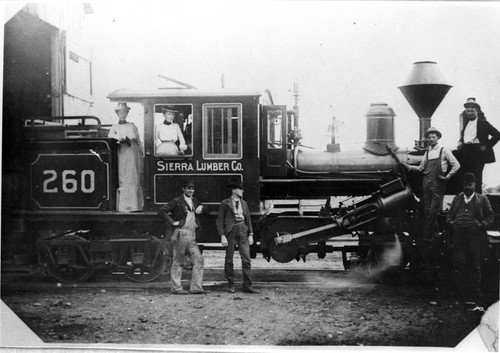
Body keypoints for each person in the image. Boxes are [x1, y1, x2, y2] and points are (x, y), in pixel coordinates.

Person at [446, 173, 495, 307]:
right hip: (459, 236)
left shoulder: (482, 199)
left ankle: (475, 295)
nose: (468, 187)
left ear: (475, 185)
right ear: (463, 185)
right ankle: (461, 294)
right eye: (465, 184)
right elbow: (449, 214)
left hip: (475, 237)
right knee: (460, 264)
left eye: (470, 184)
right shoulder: (457, 198)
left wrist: (482, 224)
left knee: (475, 265)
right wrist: (451, 222)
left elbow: (491, 215)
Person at [405, 127, 460, 241]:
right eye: (429, 137)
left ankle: (426, 235)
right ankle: (433, 235)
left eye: (433, 137)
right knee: (426, 210)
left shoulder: (443, 150)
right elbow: (421, 168)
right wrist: (409, 167)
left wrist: (447, 177)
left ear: (438, 138)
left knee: (434, 210)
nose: (431, 139)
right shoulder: (427, 152)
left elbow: (456, 165)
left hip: (438, 183)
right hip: (426, 182)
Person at [158, 180, 206, 294]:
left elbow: (204, 209)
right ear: (183, 189)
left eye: (192, 188)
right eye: (188, 188)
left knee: (199, 260)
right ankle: (176, 288)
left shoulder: (194, 200)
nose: (191, 190)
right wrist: (172, 222)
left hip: (192, 236)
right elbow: (161, 211)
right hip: (181, 234)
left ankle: (196, 288)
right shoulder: (177, 201)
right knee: (178, 261)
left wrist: (202, 207)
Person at [216, 180, 259, 294]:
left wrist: (251, 234)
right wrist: (222, 236)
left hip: (243, 231)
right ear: (234, 190)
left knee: (246, 259)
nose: (242, 191)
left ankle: (247, 286)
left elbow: (248, 219)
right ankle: (231, 285)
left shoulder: (244, 203)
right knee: (229, 259)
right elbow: (219, 220)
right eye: (240, 189)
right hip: (230, 232)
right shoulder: (225, 203)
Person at [455, 97, 500, 193]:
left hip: (477, 152)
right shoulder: (466, 124)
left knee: (476, 177)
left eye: (472, 110)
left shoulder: (483, 123)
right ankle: (465, 200)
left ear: (477, 111)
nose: (470, 113)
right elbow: (465, 137)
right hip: (466, 151)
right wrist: (460, 141)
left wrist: (487, 146)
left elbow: (497, 134)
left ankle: (478, 201)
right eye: (468, 111)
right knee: (465, 177)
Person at [107, 102, 144, 213]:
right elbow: (110, 136)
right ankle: (124, 207)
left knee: (134, 176)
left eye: (124, 112)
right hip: (122, 152)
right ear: (117, 113)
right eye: (120, 112)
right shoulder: (114, 127)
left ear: (127, 113)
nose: (122, 114)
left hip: (133, 152)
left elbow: (137, 139)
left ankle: (135, 206)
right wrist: (121, 137)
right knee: (124, 176)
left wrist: (142, 153)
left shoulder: (132, 125)